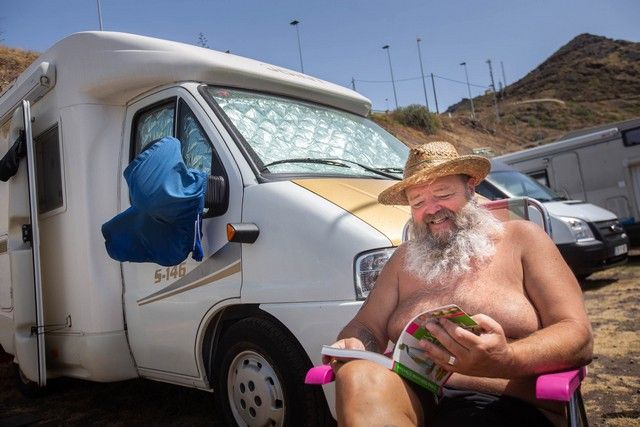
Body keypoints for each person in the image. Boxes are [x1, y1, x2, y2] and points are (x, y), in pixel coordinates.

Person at [327, 141, 593, 427]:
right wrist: (356, 343)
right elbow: (366, 326)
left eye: (443, 193)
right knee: (358, 377)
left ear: (471, 188)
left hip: (502, 397)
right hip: (415, 394)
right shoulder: (402, 260)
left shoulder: (522, 239)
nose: (432, 209)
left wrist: (507, 358)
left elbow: (577, 335)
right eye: (418, 202)